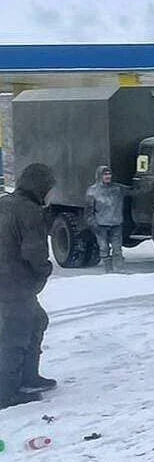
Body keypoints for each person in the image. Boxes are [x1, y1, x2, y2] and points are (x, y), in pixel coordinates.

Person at [0, 163, 58, 409]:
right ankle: (7, 393)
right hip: (15, 283)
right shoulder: (30, 211)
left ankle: (28, 376)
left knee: (37, 321)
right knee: (15, 335)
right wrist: (44, 270)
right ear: (40, 186)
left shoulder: (4, 203)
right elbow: (33, 251)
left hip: (8, 281)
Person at [85, 165, 128, 273]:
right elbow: (88, 211)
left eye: (109, 174)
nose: (108, 176)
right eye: (105, 174)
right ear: (100, 176)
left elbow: (135, 191)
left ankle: (119, 270)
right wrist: (93, 224)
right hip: (100, 225)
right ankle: (108, 271)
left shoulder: (118, 189)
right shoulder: (92, 191)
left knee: (117, 249)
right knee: (104, 249)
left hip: (116, 223)